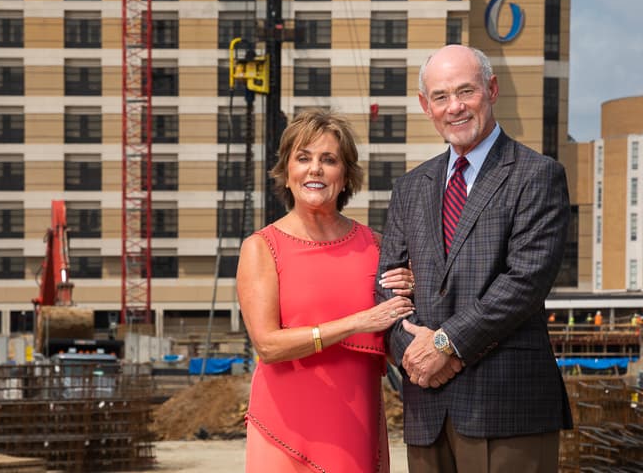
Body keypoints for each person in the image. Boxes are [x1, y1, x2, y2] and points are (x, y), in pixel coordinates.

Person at [376, 45, 572, 473]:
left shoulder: (536, 175)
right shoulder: (409, 188)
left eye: (466, 91)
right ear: (426, 106)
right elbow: (387, 284)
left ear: (492, 89)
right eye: (442, 96)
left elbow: (524, 282)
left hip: (507, 408)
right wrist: (415, 354)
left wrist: (446, 345)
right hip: (427, 406)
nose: (456, 107)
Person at [237, 108, 415, 472]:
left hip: (356, 431)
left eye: (328, 159)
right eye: (303, 158)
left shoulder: (377, 248)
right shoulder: (261, 248)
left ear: (345, 175)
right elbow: (268, 346)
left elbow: (397, 347)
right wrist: (357, 322)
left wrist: (414, 295)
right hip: (282, 432)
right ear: (286, 173)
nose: (314, 169)